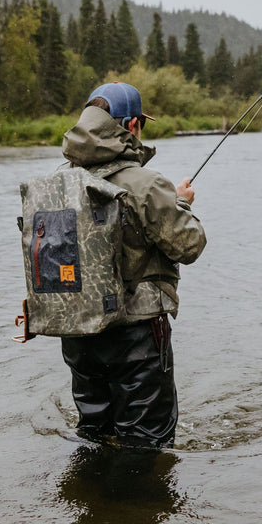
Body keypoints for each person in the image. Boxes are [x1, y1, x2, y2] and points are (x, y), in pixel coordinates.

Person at [59, 82, 206, 447]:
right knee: (146, 443)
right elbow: (189, 245)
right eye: (142, 122)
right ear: (132, 126)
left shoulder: (61, 181)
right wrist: (181, 203)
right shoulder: (147, 183)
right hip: (135, 337)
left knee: (94, 433)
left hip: (78, 333)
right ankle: (140, 502)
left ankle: (90, 499)